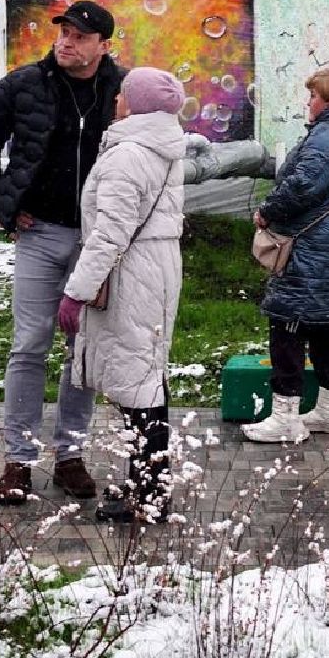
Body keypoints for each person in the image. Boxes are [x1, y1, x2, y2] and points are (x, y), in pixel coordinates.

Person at [0, 0, 126, 505]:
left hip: (96, 242)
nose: (66, 42)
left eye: (79, 36)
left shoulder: (121, 90)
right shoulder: (23, 84)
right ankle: (18, 459)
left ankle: (70, 456)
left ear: (103, 45)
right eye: (63, 33)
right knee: (29, 345)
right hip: (40, 234)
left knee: (82, 350)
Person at [57, 67, 186, 523]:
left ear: (137, 103)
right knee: (147, 374)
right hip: (157, 267)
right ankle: (147, 484)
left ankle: (148, 496)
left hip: (133, 274)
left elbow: (109, 234)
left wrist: (76, 293)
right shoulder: (161, 146)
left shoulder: (128, 154)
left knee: (139, 382)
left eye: (123, 94)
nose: (115, 100)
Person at [243, 67, 329, 444]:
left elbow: (303, 185)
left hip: (310, 252)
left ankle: (285, 417)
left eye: (314, 96)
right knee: (327, 326)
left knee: (288, 324)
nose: (309, 102)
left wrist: (268, 211)